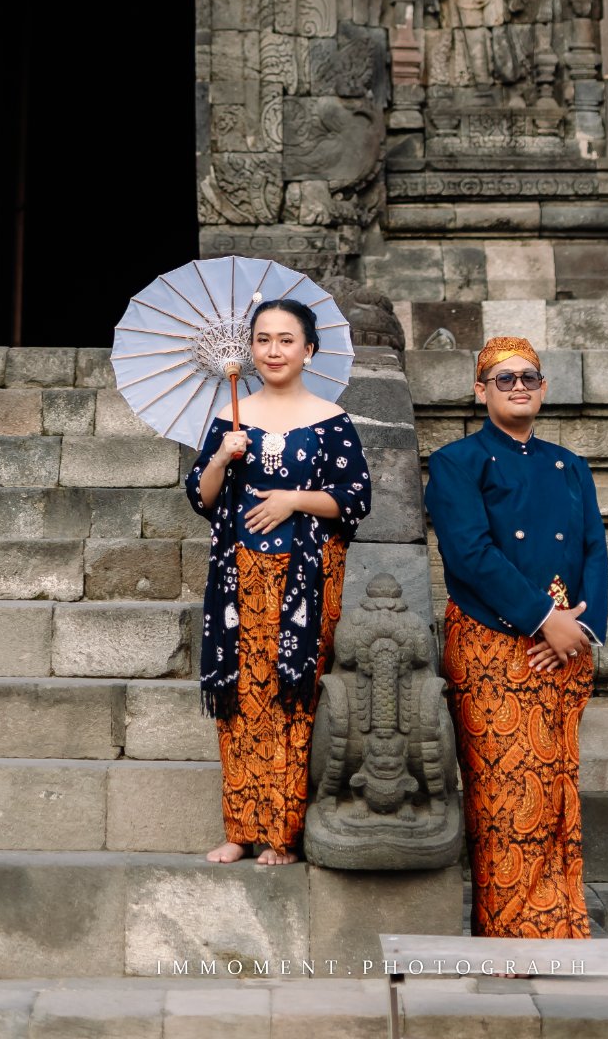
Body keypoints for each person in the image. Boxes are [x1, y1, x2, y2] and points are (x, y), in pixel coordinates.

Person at [424, 335, 608, 938]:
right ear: (481, 391)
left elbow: (594, 550)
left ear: (544, 388)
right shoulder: (457, 463)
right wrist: (542, 618)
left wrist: (578, 628)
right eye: (504, 378)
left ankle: (560, 931)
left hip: (567, 648)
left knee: (556, 791)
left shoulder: (571, 466)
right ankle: (511, 939)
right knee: (507, 794)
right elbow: (470, 554)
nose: (519, 386)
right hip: (493, 642)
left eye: (529, 376)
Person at [185, 296, 372, 866]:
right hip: (240, 575)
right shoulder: (231, 418)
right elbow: (201, 497)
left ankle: (283, 832)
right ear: (250, 349)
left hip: (305, 578)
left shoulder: (330, 420)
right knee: (240, 693)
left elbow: (355, 498)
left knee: (293, 693)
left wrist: (294, 500)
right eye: (263, 339)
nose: (273, 350)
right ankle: (240, 827)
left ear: (308, 350)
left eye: (286, 340)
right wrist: (222, 457)